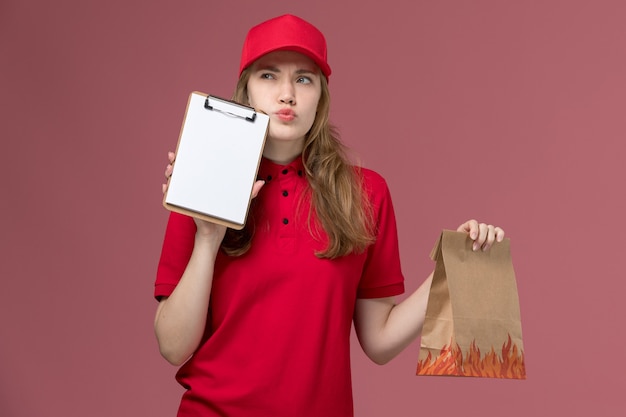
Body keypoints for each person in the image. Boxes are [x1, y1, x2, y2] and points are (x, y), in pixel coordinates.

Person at [154, 14, 505, 417]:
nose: (286, 94)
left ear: (321, 95)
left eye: (304, 79)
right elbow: (172, 346)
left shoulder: (366, 193)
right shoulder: (202, 184)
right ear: (246, 90)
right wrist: (208, 237)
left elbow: (380, 341)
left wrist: (453, 269)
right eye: (269, 76)